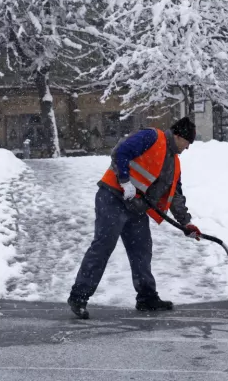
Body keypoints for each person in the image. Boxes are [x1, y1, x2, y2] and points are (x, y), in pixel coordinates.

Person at [67, 117, 200, 320]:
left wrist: (186, 223)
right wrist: (125, 181)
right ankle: (79, 296)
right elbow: (121, 151)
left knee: (142, 251)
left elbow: (175, 195)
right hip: (113, 196)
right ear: (179, 136)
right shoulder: (151, 136)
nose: (188, 148)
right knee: (103, 246)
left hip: (136, 207)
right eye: (188, 143)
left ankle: (146, 297)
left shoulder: (174, 163)